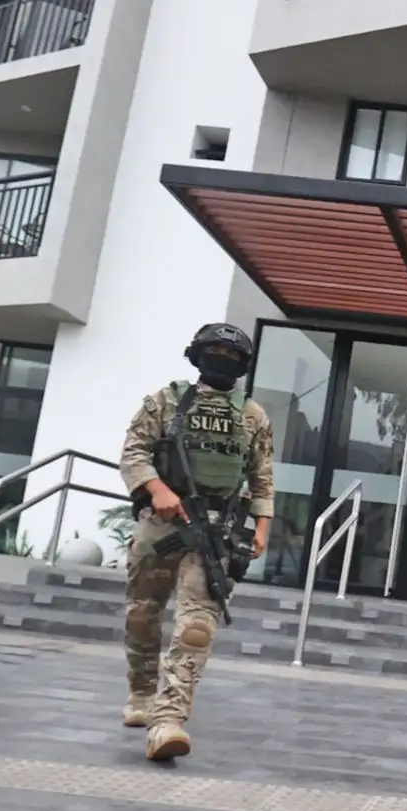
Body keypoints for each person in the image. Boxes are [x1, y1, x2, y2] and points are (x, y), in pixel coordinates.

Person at [118, 323, 273, 761]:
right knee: (142, 614)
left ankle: (168, 720)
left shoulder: (253, 415)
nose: (222, 358)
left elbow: (261, 475)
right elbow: (133, 452)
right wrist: (156, 489)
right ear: (197, 355)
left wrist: (262, 525)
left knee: (197, 627)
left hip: (216, 529)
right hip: (161, 524)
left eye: (232, 353)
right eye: (215, 349)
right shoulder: (165, 401)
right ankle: (142, 693)